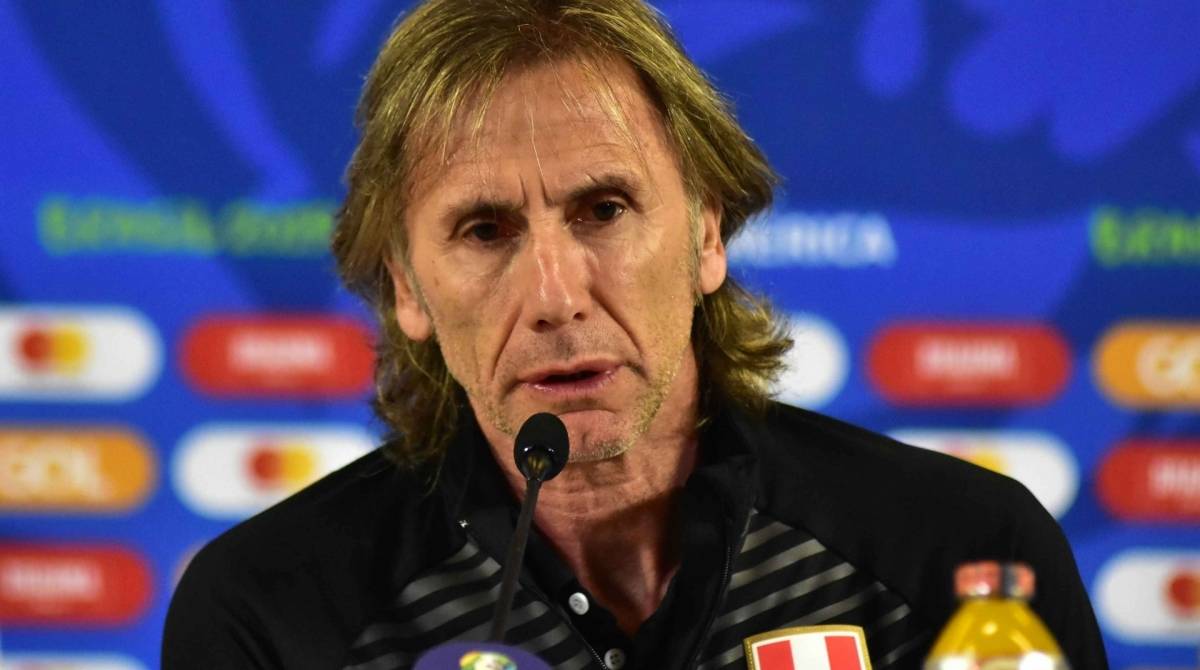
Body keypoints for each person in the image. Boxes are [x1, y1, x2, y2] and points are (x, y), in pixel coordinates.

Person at [162, 1, 1109, 669]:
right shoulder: (270, 614)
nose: (555, 295)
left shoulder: (963, 563)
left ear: (706, 234)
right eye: (485, 230)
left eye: (604, 210)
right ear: (407, 286)